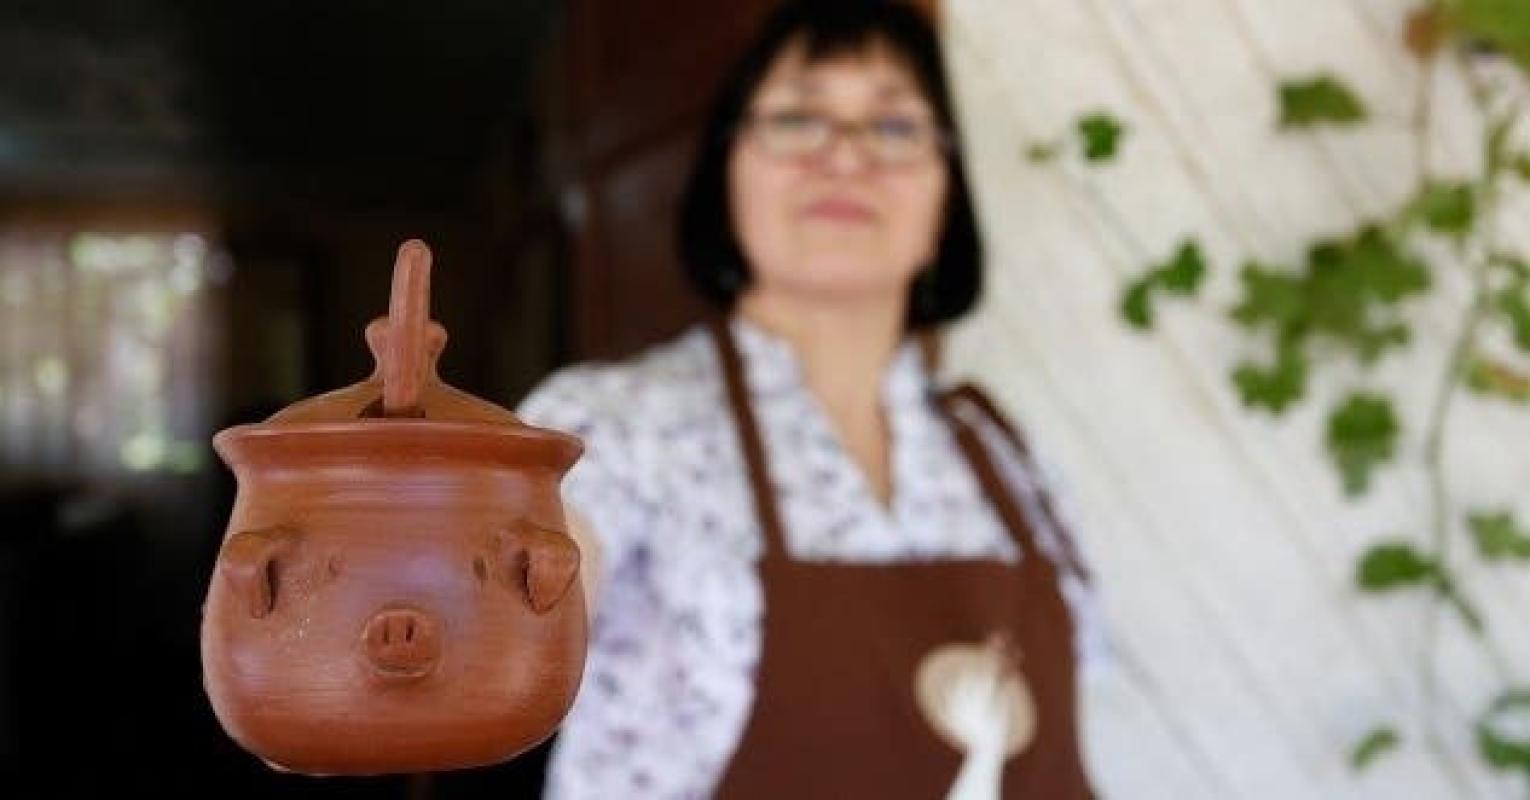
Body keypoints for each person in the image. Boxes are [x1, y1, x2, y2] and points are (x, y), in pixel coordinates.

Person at [517, 2, 1104, 797]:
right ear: (727, 170)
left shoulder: (1001, 454)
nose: (845, 156)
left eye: (893, 127)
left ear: (945, 194)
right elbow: (515, 596)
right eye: (797, 119)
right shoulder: (611, 429)